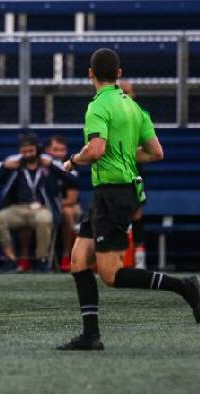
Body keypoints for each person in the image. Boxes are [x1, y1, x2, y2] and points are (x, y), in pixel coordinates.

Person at [58, 48, 200, 351]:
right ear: (119, 74)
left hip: (113, 194)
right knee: (79, 261)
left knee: (110, 274)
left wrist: (74, 160)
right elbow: (156, 153)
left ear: (90, 74)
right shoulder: (134, 108)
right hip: (112, 193)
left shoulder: (97, 106)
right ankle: (90, 336)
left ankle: (185, 286)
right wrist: (122, 155)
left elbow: (95, 150)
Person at [0, 134, 76, 272]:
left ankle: (41, 259)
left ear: (37, 150)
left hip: (42, 208)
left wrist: (52, 167)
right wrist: (5, 167)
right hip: (19, 208)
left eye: (31, 151)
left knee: (44, 219)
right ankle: (11, 258)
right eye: (24, 152)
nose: (27, 154)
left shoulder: (49, 163)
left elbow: (73, 180)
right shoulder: (14, 164)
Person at [120, 80, 147, 269]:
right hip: (112, 173)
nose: (124, 95)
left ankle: (138, 259)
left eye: (127, 92)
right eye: (121, 92)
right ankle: (117, 258)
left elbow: (147, 148)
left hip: (135, 172)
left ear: (134, 94)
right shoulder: (109, 113)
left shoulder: (142, 115)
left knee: (137, 214)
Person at [46, 135, 80, 272]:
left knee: (69, 212)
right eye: (55, 150)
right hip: (45, 206)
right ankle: (40, 258)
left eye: (62, 150)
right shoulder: (42, 167)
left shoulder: (70, 169)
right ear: (48, 150)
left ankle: (67, 255)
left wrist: (54, 205)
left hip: (67, 206)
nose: (58, 153)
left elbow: (71, 199)